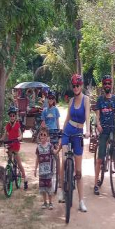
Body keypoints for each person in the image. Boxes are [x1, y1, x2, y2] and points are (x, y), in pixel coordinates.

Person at [58, 74, 90, 212]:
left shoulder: (86, 100)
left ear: (81, 86)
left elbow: (88, 116)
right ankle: (61, 189)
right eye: (74, 86)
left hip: (78, 134)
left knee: (78, 171)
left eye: (78, 85)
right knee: (64, 159)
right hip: (68, 131)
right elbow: (66, 119)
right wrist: (62, 134)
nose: (76, 88)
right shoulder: (71, 101)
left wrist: (88, 130)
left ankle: (81, 201)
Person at [94, 75, 115, 195]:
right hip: (103, 131)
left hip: (113, 130)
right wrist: (98, 124)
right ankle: (95, 184)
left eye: (109, 83)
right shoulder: (100, 100)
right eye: (105, 83)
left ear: (111, 85)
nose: (107, 85)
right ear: (103, 85)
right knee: (100, 159)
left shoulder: (114, 100)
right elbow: (97, 115)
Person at [0, 106, 28, 190]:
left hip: (15, 145)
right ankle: (9, 173)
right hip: (10, 144)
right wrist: (1, 139)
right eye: (10, 115)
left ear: (15, 116)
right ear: (9, 116)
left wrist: (19, 138)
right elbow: (5, 135)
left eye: (13, 115)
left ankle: (25, 178)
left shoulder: (17, 124)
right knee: (9, 160)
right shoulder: (8, 125)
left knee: (18, 163)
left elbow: (20, 134)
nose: (12, 117)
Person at [41, 90, 61, 200]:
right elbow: (43, 123)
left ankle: (59, 178)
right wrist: (44, 134)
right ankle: (45, 178)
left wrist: (58, 132)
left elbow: (57, 122)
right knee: (46, 156)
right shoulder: (44, 111)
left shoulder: (56, 110)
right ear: (47, 99)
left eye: (52, 98)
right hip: (48, 134)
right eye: (49, 98)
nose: (51, 100)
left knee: (56, 155)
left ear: (54, 100)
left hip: (54, 133)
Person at [34, 126, 59, 209]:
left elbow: (54, 152)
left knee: (49, 187)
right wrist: (35, 169)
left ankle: (50, 202)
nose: (42, 136)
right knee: (42, 187)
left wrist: (59, 148)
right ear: (39, 136)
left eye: (44, 135)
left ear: (47, 136)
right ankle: (44, 202)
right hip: (41, 171)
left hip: (48, 171)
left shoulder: (50, 146)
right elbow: (37, 158)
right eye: (41, 135)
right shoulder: (38, 147)